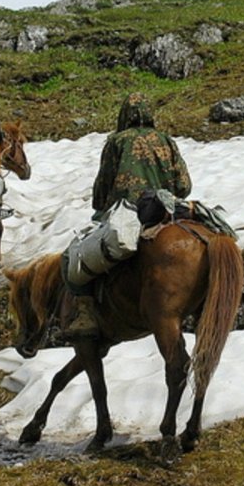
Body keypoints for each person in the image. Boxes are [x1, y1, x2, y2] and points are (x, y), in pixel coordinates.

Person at [63, 93, 192, 338]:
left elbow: (102, 189)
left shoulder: (117, 142)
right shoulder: (166, 140)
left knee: (72, 258)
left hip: (130, 210)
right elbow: (184, 185)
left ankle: (85, 315)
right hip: (166, 209)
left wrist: (101, 205)